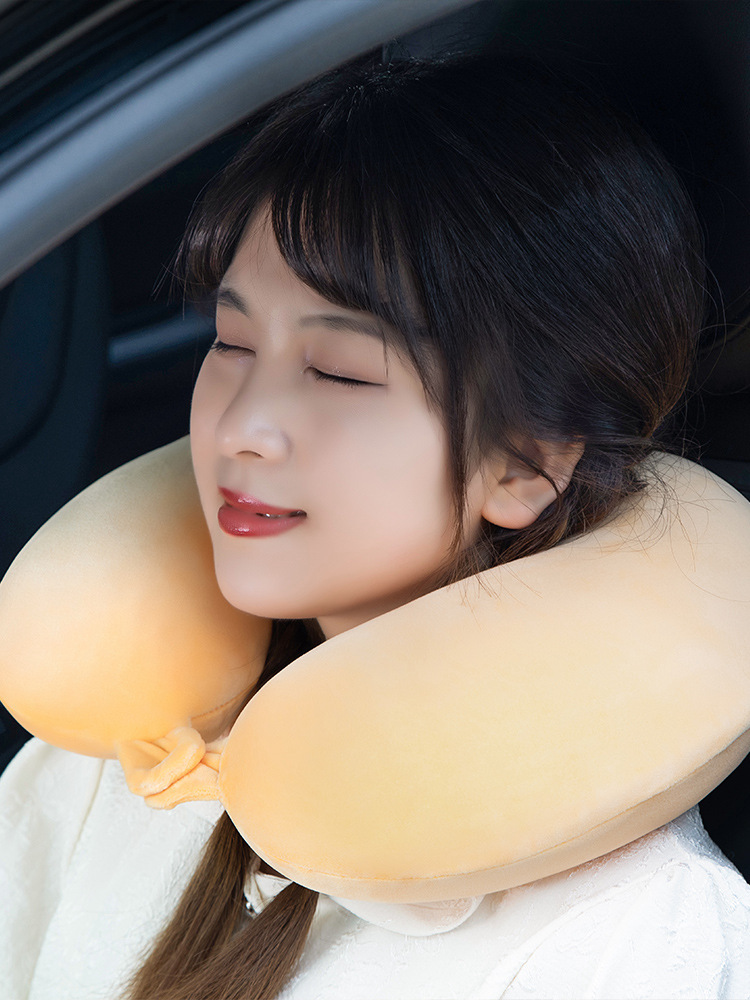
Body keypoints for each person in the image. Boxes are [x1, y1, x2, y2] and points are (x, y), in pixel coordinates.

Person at [1, 48, 750, 1000]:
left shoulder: (636, 934)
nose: (242, 426)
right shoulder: (131, 749)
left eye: (339, 372)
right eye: (231, 343)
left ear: (524, 463)